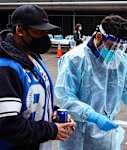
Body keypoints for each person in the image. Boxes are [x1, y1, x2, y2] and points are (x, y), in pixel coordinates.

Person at [55, 15, 127, 150]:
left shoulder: (120, 59)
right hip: (79, 133)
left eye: (119, 47)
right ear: (99, 37)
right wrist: (92, 116)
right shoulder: (75, 59)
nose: (114, 52)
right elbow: (66, 97)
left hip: (107, 134)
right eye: (111, 47)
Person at [0, 4, 75, 150]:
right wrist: (52, 130)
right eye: (39, 32)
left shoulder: (33, 56)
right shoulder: (5, 67)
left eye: (46, 32)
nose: (44, 37)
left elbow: (31, 100)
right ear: (19, 30)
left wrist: (54, 113)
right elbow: (8, 125)